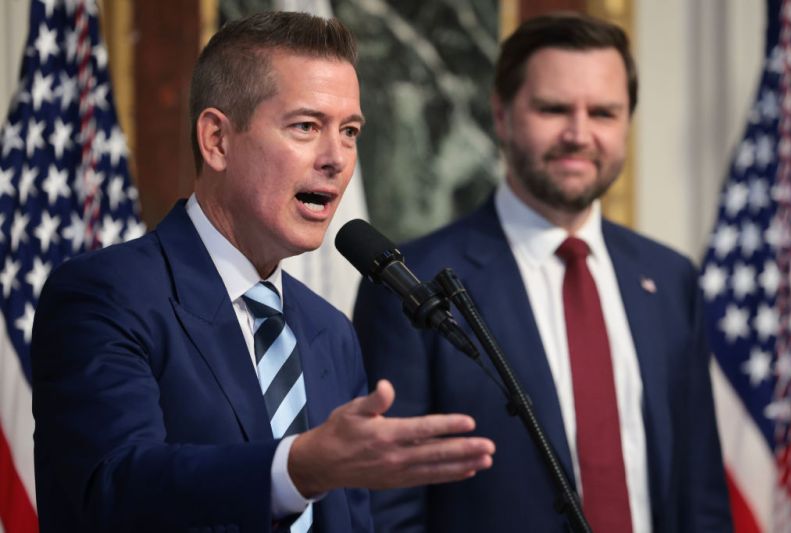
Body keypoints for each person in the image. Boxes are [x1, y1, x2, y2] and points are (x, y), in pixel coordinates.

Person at [30, 11, 495, 533]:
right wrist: (296, 468)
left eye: (350, 131)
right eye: (306, 126)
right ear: (218, 141)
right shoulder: (106, 295)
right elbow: (114, 488)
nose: (338, 158)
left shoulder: (330, 331)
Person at [353, 12, 732, 533]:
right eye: (554, 109)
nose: (579, 134)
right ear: (502, 116)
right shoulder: (413, 282)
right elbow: (387, 506)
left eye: (603, 113)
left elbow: (700, 492)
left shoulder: (669, 278)